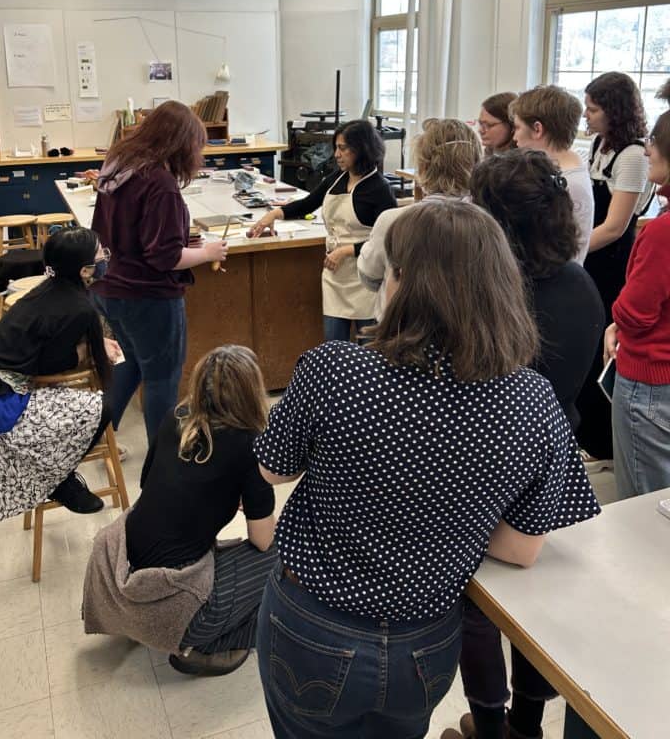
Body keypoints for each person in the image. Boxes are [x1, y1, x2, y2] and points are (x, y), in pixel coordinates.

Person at [254, 200, 599, 739]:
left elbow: (273, 470)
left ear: (400, 282)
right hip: (427, 637)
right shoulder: (532, 399)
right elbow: (521, 550)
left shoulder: (333, 369)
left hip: (314, 623)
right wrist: (441, 511)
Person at [447, 150, 605, 739]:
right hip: (553, 459)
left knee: (479, 608)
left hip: (487, 461)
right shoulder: (580, 283)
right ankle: (528, 724)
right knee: (540, 607)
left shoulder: (488, 297)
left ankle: (491, 724)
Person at [83, 345, 277, 677]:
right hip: (178, 607)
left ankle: (183, 634)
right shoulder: (249, 445)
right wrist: (251, 499)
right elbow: (263, 541)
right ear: (252, 391)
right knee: (287, 553)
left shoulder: (176, 417)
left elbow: (149, 484)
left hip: (123, 576)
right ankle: (204, 646)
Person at [0, 228, 119, 520]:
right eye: (100, 254)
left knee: (84, 404)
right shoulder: (79, 307)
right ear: (84, 270)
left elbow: (44, 347)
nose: (105, 256)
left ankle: (59, 478)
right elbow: (51, 363)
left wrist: (94, 343)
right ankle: (60, 482)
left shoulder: (49, 289)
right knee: (102, 407)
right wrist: (85, 352)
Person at [91, 101, 228, 441]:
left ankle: (95, 439)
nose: (197, 154)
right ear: (179, 142)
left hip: (109, 288)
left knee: (133, 364)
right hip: (147, 296)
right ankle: (162, 462)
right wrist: (207, 251)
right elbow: (164, 257)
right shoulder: (160, 183)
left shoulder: (118, 167)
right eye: (195, 146)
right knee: (162, 378)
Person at [250, 119, 396, 341]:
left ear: (361, 148)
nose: (336, 154)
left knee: (370, 354)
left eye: (343, 148)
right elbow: (308, 203)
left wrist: (345, 250)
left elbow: (389, 241)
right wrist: (274, 215)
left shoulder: (380, 189)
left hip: (367, 279)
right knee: (334, 350)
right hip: (335, 277)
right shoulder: (336, 179)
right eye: (336, 147)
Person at [577, 72, 650, 462]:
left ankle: (602, 441)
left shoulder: (634, 156)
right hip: (589, 256)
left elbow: (614, 226)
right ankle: (586, 434)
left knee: (601, 349)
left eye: (593, 108)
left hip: (610, 262)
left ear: (614, 111)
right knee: (586, 345)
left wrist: (569, 251)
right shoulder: (599, 145)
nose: (586, 116)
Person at [606, 105, 670, 499]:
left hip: (651, 381)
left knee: (644, 507)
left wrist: (617, 318)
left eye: (654, 143)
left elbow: (636, 312)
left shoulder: (662, 233)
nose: (646, 150)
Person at [358, 117, 480, 319]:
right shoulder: (487, 220)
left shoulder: (393, 221)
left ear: (422, 168)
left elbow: (369, 277)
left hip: (400, 336)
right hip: (466, 338)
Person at [510, 84, 594, 261]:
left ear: (537, 129)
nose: (514, 138)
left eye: (517, 128)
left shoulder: (569, 183)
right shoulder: (557, 170)